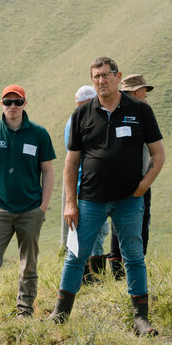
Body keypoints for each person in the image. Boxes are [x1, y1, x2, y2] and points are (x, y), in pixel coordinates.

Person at [53, 57, 165, 336]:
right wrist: (70, 201)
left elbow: (158, 154)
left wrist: (143, 186)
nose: (101, 81)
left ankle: (141, 318)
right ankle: (60, 315)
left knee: (134, 256)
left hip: (129, 199)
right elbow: (70, 162)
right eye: (96, 77)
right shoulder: (82, 114)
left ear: (118, 76)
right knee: (75, 255)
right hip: (90, 200)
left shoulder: (139, 110)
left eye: (106, 75)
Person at [0, 85, 56, 325]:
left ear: (24, 104)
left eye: (17, 102)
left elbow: (48, 171)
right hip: (0, 210)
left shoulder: (39, 134)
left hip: (31, 210)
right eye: (8, 102)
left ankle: (24, 313)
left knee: (28, 265)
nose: (12, 107)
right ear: (1, 104)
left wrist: (43, 207)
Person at [103, 74, 157, 281]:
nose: (146, 96)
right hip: (135, 181)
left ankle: (121, 271)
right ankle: (129, 271)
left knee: (122, 225)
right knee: (137, 223)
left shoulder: (129, 113)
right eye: (144, 91)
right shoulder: (138, 114)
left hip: (129, 179)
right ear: (135, 92)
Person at [65, 85, 108, 283]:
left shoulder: (82, 119)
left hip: (94, 183)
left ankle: (92, 274)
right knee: (91, 232)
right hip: (86, 184)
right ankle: (90, 275)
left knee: (98, 231)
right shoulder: (77, 122)